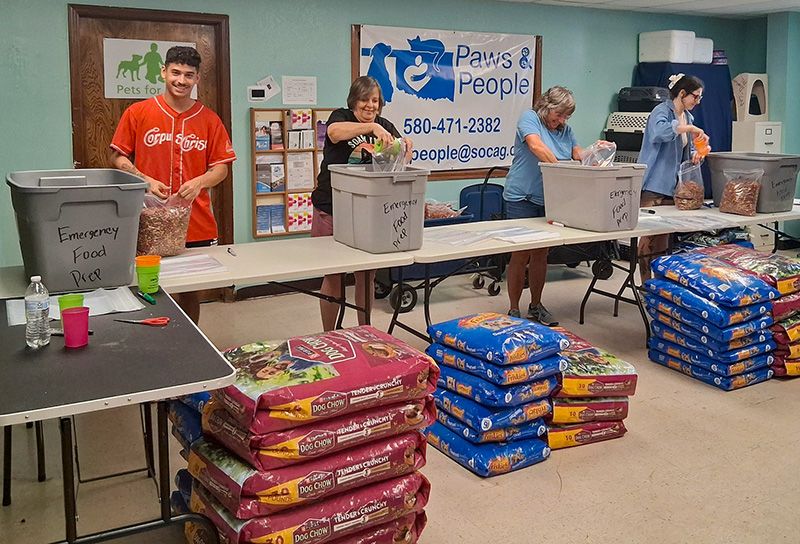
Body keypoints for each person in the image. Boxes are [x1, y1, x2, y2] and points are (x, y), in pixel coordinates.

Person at [110, 46, 236, 323]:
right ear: (163, 72)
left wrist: (200, 181)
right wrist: (144, 179)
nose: (181, 80)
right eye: (175, 73)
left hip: (196, 219)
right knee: (146, 285)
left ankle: (189, 345)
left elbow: (222, 168)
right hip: (147, 218)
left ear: (197, 78)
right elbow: (118, 157)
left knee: (191, 290)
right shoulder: (138, 112)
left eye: (188, 75)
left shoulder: (209, 119)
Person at [311, 76, 412, 331]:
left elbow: (400, 156)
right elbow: (334, 133)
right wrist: (370, 129)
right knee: (333, 274)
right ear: (354, 100)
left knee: (366, 275)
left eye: (375, 100)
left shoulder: (385, 124)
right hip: (331, 208)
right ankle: (329, 334)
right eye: (365, 99)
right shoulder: (340, 116)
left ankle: (365, 332)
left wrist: (405, 147)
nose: (370, 106)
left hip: (368, 214)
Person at [502, 86, 598, 326]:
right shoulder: (530, 118)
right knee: (520, 253)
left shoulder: (566, 131)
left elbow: (579, 154)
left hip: (548, 200)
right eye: (560, 114)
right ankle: (514, 309)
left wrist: (595, 152)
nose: (562, 120)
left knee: (541, 254)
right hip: (521, 198)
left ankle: (536, 305)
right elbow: (536, 146)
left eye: (567, 116)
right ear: (547, 107)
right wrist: (559, 170)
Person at [637, 74, 707, 283]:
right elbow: (659, 133)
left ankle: (659, 284)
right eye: (695, 97)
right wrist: (687, 128)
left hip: (674, 186)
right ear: (682, 93)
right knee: (648, 235)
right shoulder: (661, 111)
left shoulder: (689, 117)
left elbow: (688, 148)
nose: (697, 102)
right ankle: (644, 283)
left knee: (663, 236)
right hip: (654, 184)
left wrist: (697, 153)